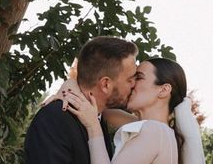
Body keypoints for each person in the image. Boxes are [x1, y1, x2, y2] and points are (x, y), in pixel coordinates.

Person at [58, 58, 205, 164]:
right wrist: (71, 83)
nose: (132, 83)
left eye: (139, 78)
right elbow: (97, 105)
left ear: (163, 90)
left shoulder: (154, 131)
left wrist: (93, 127)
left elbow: (93, 114)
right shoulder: (163, 133)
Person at [24, 36, 138, 163]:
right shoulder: (55, 118)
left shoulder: (97, 118)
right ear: (105, 84)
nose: (135, 84)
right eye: (130, 79)